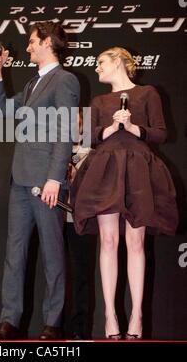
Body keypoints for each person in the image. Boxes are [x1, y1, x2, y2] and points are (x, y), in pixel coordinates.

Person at [71, 47, 178, 340]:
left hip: (138, 169)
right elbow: (87, 137)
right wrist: (109, 129)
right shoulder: (99, 101)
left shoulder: (147, 93)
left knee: (135, 241)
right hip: (105, 169)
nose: (97, 69)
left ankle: (137, 315)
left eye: (101, 63)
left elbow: (160, 133)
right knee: (108, 240)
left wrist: (132, 127)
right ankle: (110, 315)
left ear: (118, 61)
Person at [0, 21, 80, 340]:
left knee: (53, 252)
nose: (27, 47)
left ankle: (53, 323)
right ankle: (9, 321)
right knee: (15, 252)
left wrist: (55, 178)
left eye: (31, 42)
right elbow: (2, 110)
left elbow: (66, 131)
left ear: (47, 43)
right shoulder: (32, 84)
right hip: (21, 180)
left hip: (46, 182)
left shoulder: (64, 80)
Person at [65, 109, 92, 340]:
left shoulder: (92, 154)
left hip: (79, 222)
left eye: (77, 122)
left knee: (80, 275)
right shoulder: (52, 152)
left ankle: (79, 331)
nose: (72, 127)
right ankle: (52, 327)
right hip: (54, 220)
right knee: (55, 273)